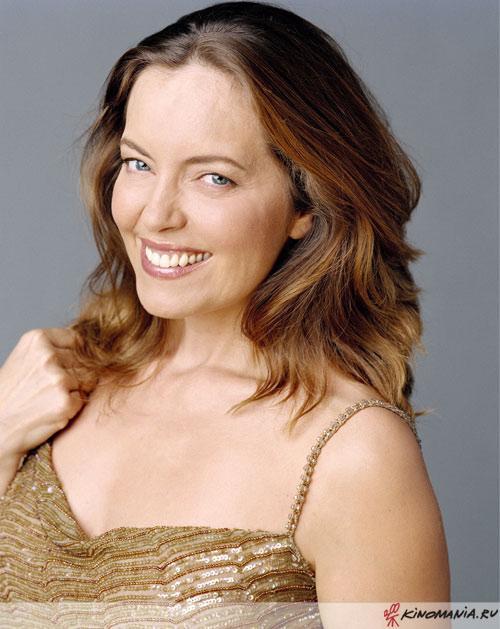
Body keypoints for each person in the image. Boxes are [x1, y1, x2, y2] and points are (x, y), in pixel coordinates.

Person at [0, 1, 450, 625]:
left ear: (306, 206)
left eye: (213, 178)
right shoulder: (53, 379)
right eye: (139, 164)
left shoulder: (354, 454)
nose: (155, 215)